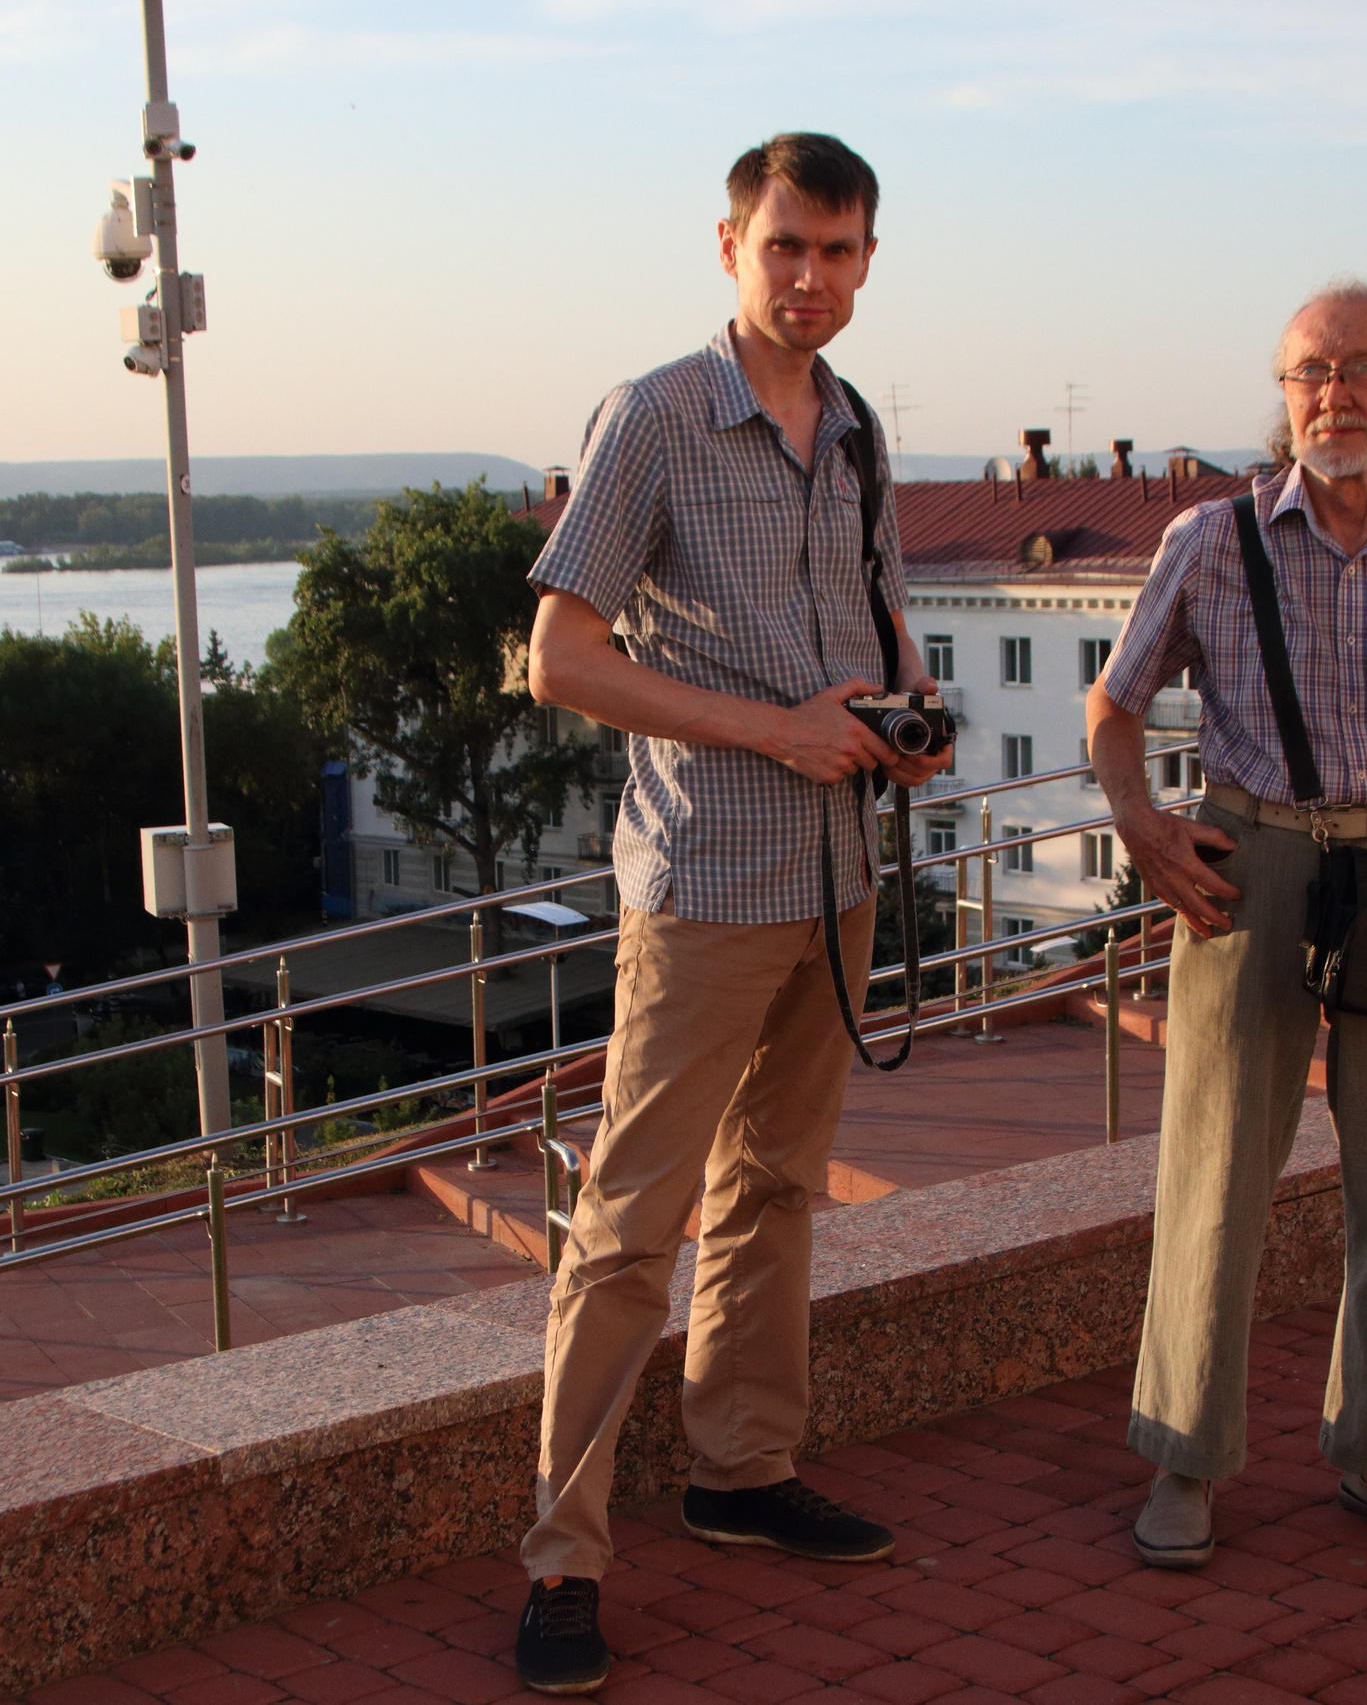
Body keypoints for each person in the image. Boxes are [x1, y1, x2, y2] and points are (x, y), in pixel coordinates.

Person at [515, 132, 952, 1695]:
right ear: (728, 247)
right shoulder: (653, 416)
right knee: (632, 1224)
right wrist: (777, 726)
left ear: (866, 262)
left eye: (838, 253)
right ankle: (563, 1559)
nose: (811, 279)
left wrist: (911, 710)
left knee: (774, 1190)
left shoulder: (855, 429)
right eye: (785, 248)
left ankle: (740, 1471)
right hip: (705, 880)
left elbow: (878, 617)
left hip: (835, 871)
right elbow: (560, 659)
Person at [1087, 281, 1367, 1567]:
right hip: (1251, 865)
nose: (1329, 393)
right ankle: (1184, 1459)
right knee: (1214, 1172)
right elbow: (1114, 709)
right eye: (1305, 372)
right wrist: (1141, 824)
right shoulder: (1213, 538)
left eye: (1359, 368)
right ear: (1283, 397)